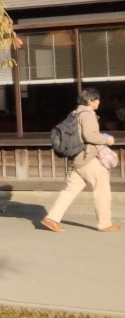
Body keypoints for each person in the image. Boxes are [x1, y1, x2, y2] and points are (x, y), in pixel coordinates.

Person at [42, 87, 119, 232]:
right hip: (87, 157)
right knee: (102, 189)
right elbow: (90, 136)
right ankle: (105, 223)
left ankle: (51, 218)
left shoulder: (75, 113)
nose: (99, 102)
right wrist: (107, 140)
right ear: (90, 101)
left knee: (70, 190)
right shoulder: (88, 115)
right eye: (97, 99)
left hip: (77, 157)